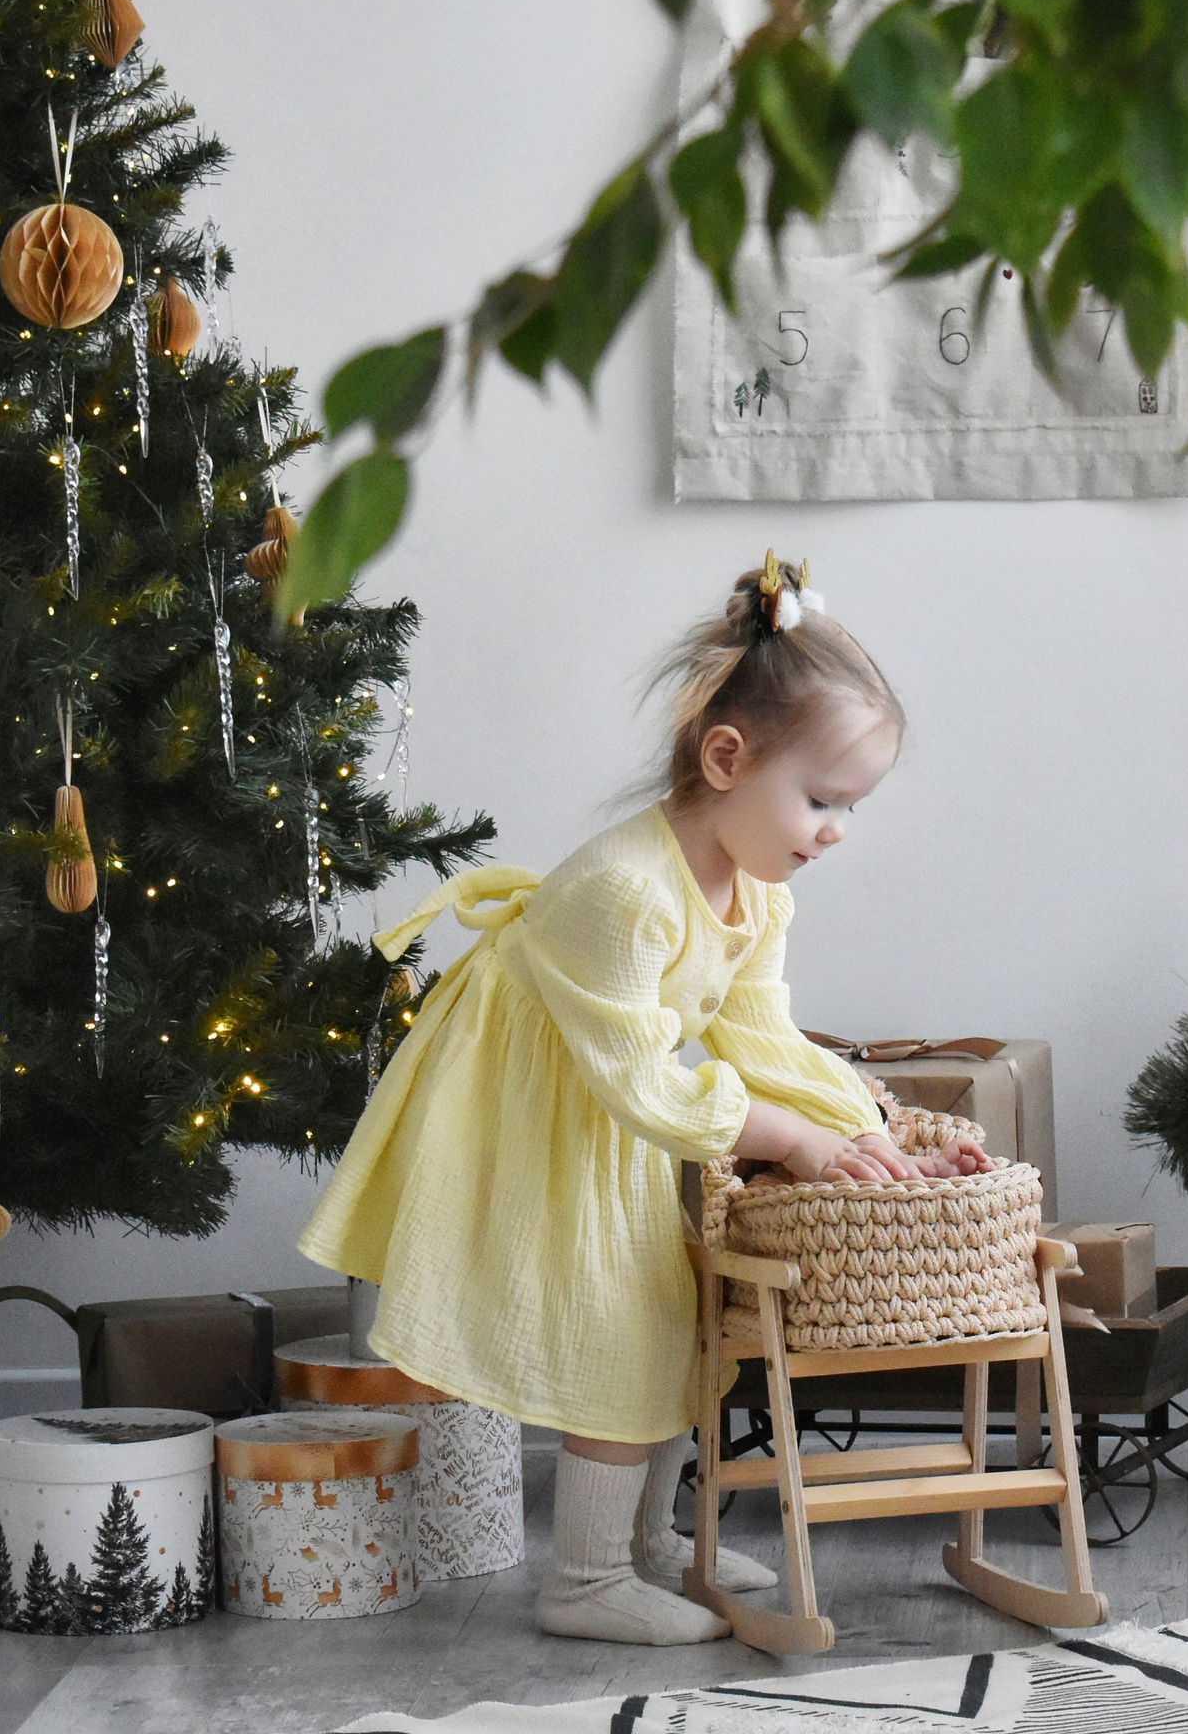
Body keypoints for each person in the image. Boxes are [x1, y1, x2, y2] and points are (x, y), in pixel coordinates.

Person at [300, 555, 988, 1645]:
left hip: (627, 1104)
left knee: (678, 1321)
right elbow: (639, 1080)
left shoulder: (755, 893)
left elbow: (757, 1037)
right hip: (542, 1107)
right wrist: (790, 1144)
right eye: (820, 800)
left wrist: (867, 1128)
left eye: (850, 806)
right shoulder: (624, 892)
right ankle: (580, 1579)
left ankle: (643, 1543)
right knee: (611, 1326)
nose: (835, 830)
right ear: (726, 759)